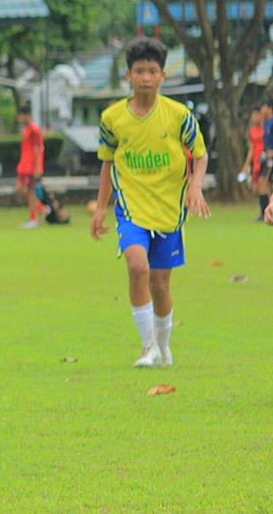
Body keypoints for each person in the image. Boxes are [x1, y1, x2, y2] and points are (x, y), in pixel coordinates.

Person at [90, 37, 209, 368]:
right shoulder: (113, 118)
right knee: (137, 267)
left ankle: (163, 347)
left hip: (169, 212)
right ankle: (147, 347)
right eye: (139, 71)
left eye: (152, 71)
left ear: (162, 76)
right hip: (130, 209)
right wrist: (100, 207)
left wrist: (195, 188)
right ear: (128, 74)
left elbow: (200, 155)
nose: (145, 77)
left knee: (160, 283)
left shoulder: (179, 115)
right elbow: (107, 163)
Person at [15, 104, 45, 228]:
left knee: (30, 191)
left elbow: (37, 149)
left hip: (30, 166)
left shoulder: (34, 129)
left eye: (21, 115)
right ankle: (42, 208)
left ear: (27, 115)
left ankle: (33, 219)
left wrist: (37, 168)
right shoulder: (27, 129)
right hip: (24, 164)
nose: (19, 118)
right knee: (20, 189)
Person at [238, 106, 267, 221]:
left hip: (265, 163)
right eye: (253, 115)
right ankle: (267, 208)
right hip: (256, 164)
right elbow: (251, 149)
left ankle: (264, 213)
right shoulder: (252, 131)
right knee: (256, 189)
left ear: (261, 116)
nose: (254, 118)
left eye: (256, 115)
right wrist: (246, 166)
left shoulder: (266, 128)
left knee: (263, 187)